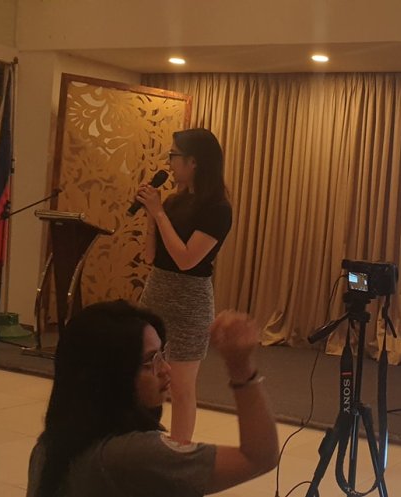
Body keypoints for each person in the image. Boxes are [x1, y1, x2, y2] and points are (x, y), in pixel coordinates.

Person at [26, 300, 278, 497]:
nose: (166, 369)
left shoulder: (47, 446)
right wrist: (240, 366)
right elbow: (259, 457)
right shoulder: (133, 456)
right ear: (109, 376)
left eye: (162, 355)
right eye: (150, 361)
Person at [135, 128, 233, 443]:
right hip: (156, 293)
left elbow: (186, 259)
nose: (169, 163)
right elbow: (151, 255)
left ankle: (179, 451)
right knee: (144, 377)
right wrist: (152, 216)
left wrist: (158, 212)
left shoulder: (218, 209)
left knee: (181, 387)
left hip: (189, 304)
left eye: (173, 155)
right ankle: (142, 440)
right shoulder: (174, 201)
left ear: (194, 162)